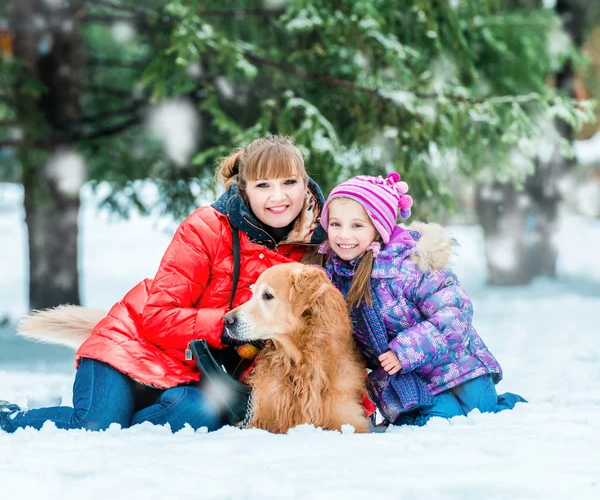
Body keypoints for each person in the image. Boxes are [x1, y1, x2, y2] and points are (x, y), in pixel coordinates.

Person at [1, 135, 327, 434]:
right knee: (96, 422)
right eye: (263, 185)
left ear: (304, 184)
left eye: (289, 182)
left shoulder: (315, 253)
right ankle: (9, 417)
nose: (278, 196)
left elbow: (326, 333)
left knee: (201, 416)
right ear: (244, 189)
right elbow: (157, 316)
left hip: (198, 376)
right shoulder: (207, 228)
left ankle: (128, 420)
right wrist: (228, 325)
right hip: (135, 345)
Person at [317, 172, 526, 426]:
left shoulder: (409, 266)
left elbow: (455, 312)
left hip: (458, 365)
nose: (343, 235)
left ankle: (517, 409)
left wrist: (403, 351)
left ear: (378, 228)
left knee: (484, 413)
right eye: (336, 224)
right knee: (442, 422)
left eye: (357, 225)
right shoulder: (335, 279)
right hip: (411, 385)